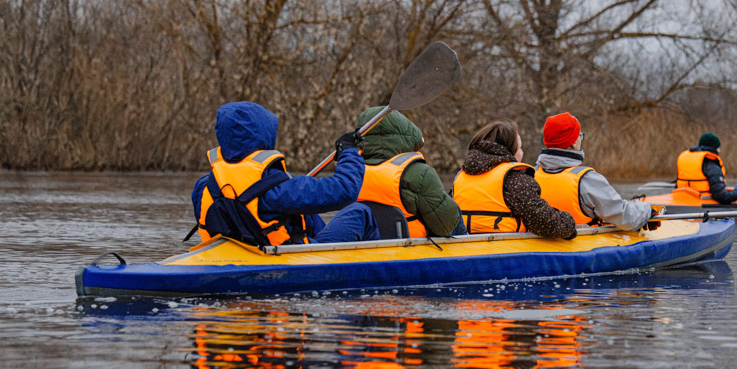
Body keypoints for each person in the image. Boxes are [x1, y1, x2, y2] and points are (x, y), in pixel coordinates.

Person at [191, 101, 364, 245]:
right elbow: (346, 189)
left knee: (307, 213)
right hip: (285, 261)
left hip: (230, 257)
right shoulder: (278, 190)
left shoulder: (203, 186)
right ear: (264, 137)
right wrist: (349, 151)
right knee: (360, 212)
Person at [314, 106, 464, 242]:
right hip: (408, 252)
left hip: (363, 247)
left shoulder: (350, 171)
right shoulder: (419, 173)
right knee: (452, 210)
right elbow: (444, 226)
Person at [452, 120, 577, 238]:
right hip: (507, 253)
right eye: (520, 148)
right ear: (511, 150)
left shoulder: (460, 176)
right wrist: (568, 224)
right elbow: (542, 219)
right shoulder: (514, 178)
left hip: (466, 250)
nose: (522, 153)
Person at [533, 112, 653, 230]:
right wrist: (647, 211)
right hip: (580, 246)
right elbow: (624, 216)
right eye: (580, 136)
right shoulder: (586, 180)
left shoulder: (531, 175)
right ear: (574, 142)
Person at [675, 132, 737, 204]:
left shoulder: (688, 160)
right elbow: (721, 196)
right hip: (703, 202)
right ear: (713, 148)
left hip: (683, 200)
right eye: (718, 147)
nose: (719, 150)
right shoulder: (711, 164)